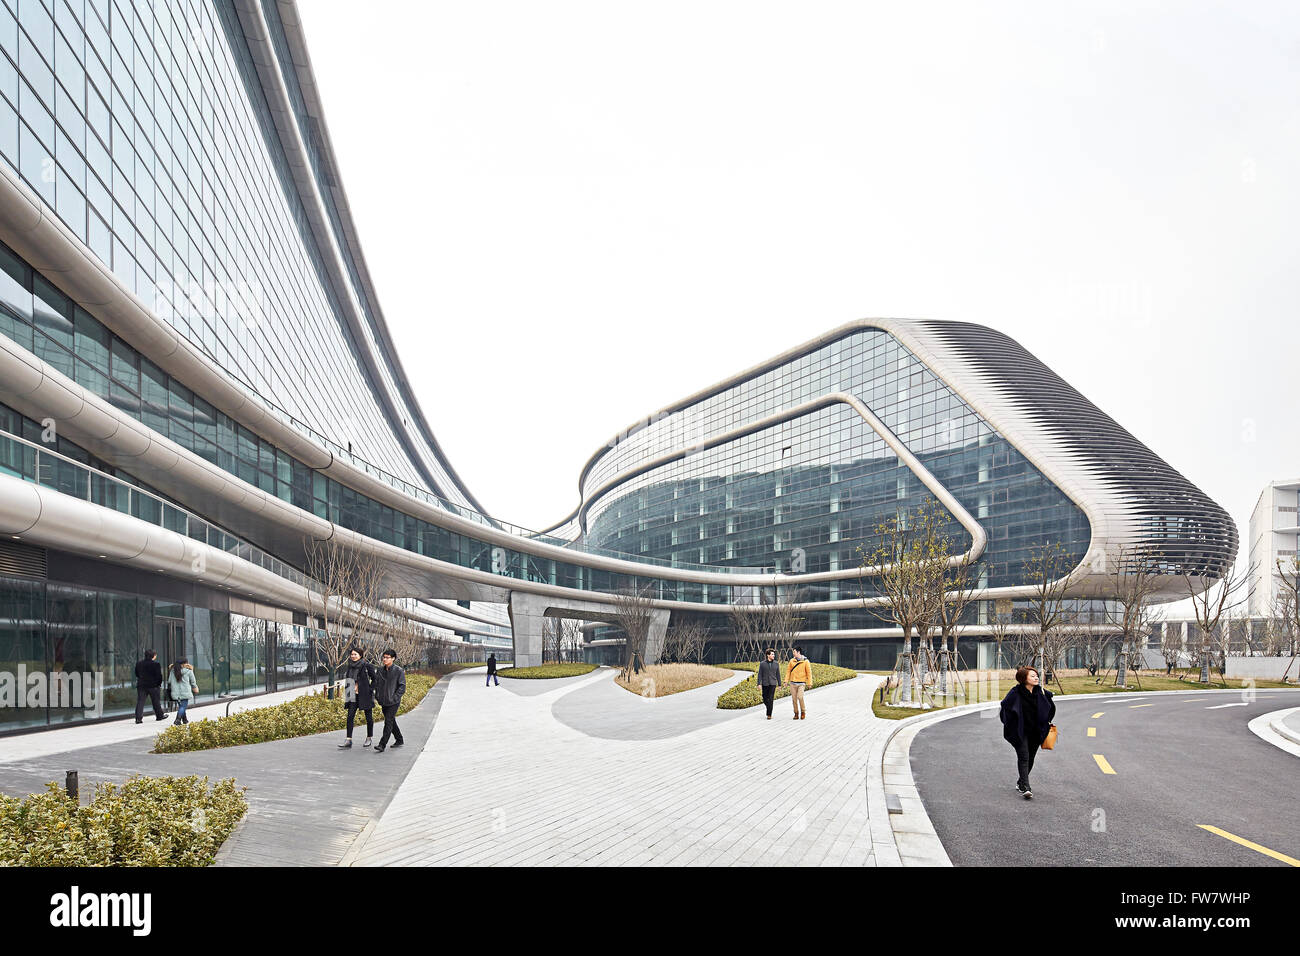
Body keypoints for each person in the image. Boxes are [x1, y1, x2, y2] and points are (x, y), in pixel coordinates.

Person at [999, 664, 1056, 799]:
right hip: (1020, 732)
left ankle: (1021, 782)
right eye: (1032, 676)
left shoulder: (1041, 692)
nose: (1036, 678)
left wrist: (1046, 722)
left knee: (1030, 758)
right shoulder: (1015, 693)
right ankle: (1026, 787)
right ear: (1024, 678)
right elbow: (1005, 708)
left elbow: (1050, 709)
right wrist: (1011, 725)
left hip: (1036, 731)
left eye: (1036, 676)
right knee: (1024, 756)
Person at [338, 647, 376, 749]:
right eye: (352, 654)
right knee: (350, 716)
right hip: (351, 693)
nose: (353, 656)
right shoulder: (350, 666)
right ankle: (348, 740)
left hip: (364, 694)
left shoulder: (367, 665)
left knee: (368, 717)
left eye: (355, 654)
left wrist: (370, 689)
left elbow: (375, 679)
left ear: (360, 655)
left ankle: (369, 737)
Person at [373, 648, 406, 753]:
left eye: (387, 657)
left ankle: (382, 745)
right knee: (391, 721)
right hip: (383, 700)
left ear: (393, 658)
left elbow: (402, 687)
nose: (384, 659)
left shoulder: (398, 671)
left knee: (388, 721)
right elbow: (376, 684)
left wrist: (395, 698)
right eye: (384, 657)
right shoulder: (380, 670)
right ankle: (399, 739)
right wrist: (377, 696)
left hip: (393, 702)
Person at [134, 649, 165, 723]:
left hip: (141, 685)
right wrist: (158, 684)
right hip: (153, 685)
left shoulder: (139, 663)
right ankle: (159, 716)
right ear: (153, 656)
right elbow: (159, 676)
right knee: (156, 701)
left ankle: (138, 718)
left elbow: (137, 674)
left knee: (140, 702)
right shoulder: (156, 664)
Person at [168, 658, 198, 725]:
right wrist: (195, 688)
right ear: (184, 664)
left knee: (181, 706)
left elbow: (169, 681)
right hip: (185, 692)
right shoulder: (188, 671)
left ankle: (185, 720)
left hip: (175, 692)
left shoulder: (173, 671)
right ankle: (177, 719)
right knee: (183, 707)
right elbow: (193, 682)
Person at [786, 646, 812, 720]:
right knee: (794, 699)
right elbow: (788, 672)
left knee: (800, 697)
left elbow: (809, 673)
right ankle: (796, 713)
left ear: (798, 652)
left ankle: (803, 711)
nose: (793, 653)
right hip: (793, 683)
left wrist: (809, 683)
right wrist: (786, 681)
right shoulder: (791, 661)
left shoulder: (806, 661)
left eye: (794, 652)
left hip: (801, 683)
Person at [757, 648, 781, 719]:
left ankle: (769, 714)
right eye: (772, 654)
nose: (774, 655)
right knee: (765, 698)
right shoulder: (762, 664)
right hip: (765, 683)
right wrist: (759, 683)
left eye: (774, 654)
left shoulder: (776, 664)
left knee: (770, 699)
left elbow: (778, 675)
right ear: (768, 655)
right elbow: (760, 674)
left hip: (773, 683)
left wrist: (779, 684)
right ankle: (769, 707)